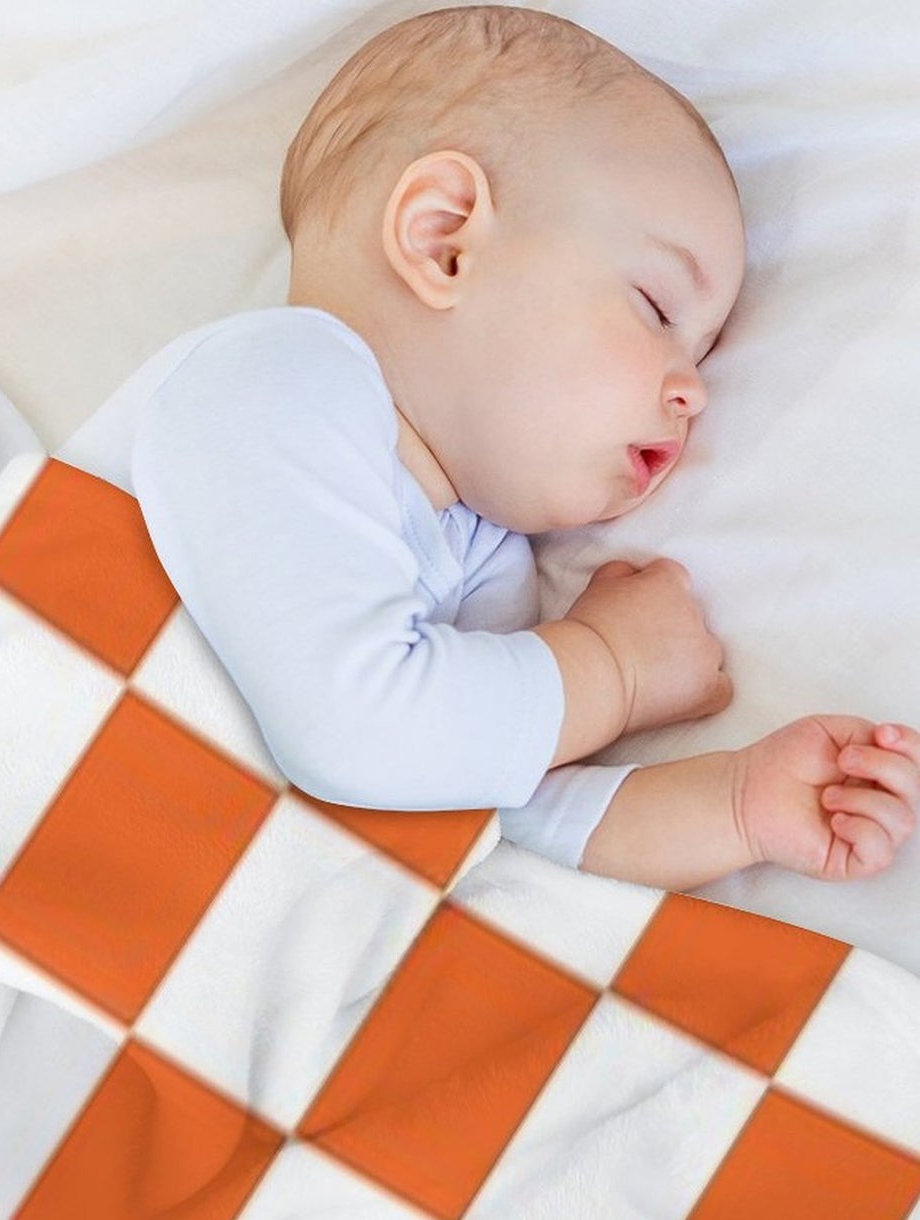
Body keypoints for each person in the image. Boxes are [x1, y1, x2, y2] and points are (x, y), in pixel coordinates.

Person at [57, 5, 918, 892]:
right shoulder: (270, 379)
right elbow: (359, 730)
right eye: (657, 309)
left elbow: (482, 805)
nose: (692, 388)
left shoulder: (476, 552)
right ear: (444, 242)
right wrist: (609, 668)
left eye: (699, 352)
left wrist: (738, 804)